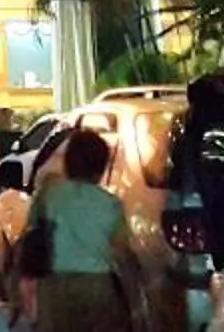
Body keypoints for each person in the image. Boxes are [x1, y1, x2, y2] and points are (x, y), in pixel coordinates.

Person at [17, 129, 143, 332]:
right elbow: (122, 253)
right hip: (99, 288)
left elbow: (30, 239)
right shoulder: (111, 204)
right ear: (101, 167)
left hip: (54, 286)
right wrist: (134, 302)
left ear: (68, 162)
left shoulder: (49, 196)